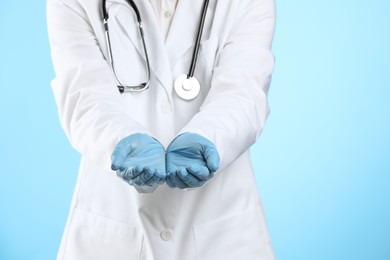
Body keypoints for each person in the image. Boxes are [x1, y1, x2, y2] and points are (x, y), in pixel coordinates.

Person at [47, 0, 276, 259]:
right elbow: (84, 95)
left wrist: (209, 137)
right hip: (113, 222)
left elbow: (243, 91)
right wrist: (119, 139)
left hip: (222, 232)